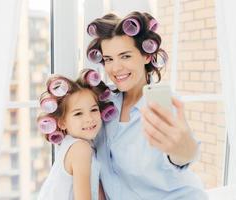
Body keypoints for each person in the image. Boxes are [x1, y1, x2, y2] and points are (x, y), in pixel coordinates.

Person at [86, 11, 208, 199]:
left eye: (125, 56)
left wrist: (184, 149)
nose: (115, 68)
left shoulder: (160, 107)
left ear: (146, 56)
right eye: (109, 59)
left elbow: (182, 155)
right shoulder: (102, 105)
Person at [37, 69, 117, 200]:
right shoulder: (80, 149)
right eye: (78, 113)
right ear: (62, 123)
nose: (89, 118)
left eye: (93, 109)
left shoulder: (76, 145)